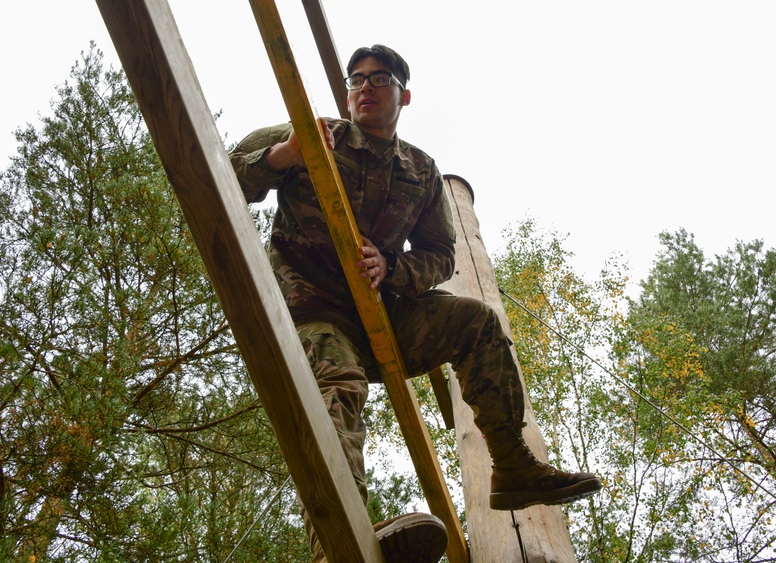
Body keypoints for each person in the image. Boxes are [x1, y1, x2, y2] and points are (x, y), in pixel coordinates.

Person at [230, 45, 601, 563]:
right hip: (314, 309)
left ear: (403, 95)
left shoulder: (421, 171)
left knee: (476, 320)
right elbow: (224, 175)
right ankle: (336, 544)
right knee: (340, 386)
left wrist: (392, 268)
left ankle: (512, 465)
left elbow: (442, 255)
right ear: (346, 91)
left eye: (379, 79)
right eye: (356, 79)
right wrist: (286, 155)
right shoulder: (313, 135)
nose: (365, 88)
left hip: (385, 316)